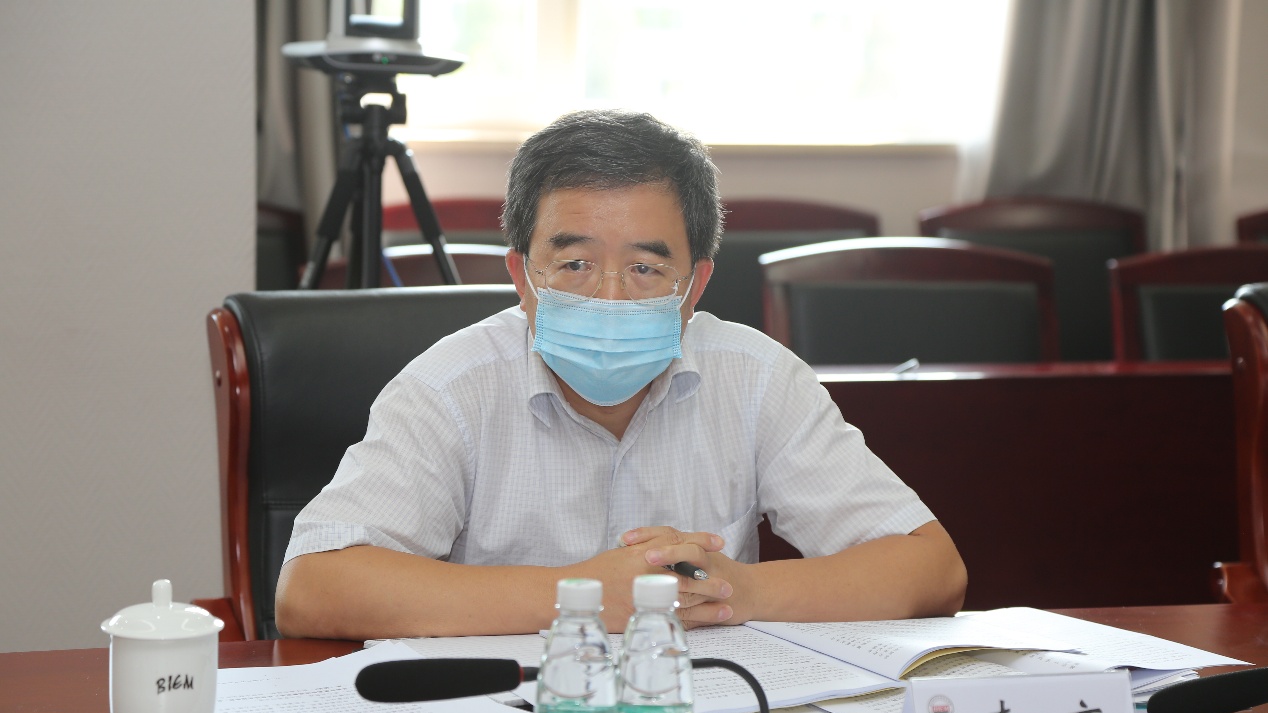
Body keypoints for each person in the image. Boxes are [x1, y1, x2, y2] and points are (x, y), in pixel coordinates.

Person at [275, 109, 965, 640]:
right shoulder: (451, 387)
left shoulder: (757, 379)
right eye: (574, 264)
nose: (609, 296)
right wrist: (580, 596)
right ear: (522, 276)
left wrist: (739, 591)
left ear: (695, 286)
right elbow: (311, 588)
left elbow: (932, 569)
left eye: (644, 268)